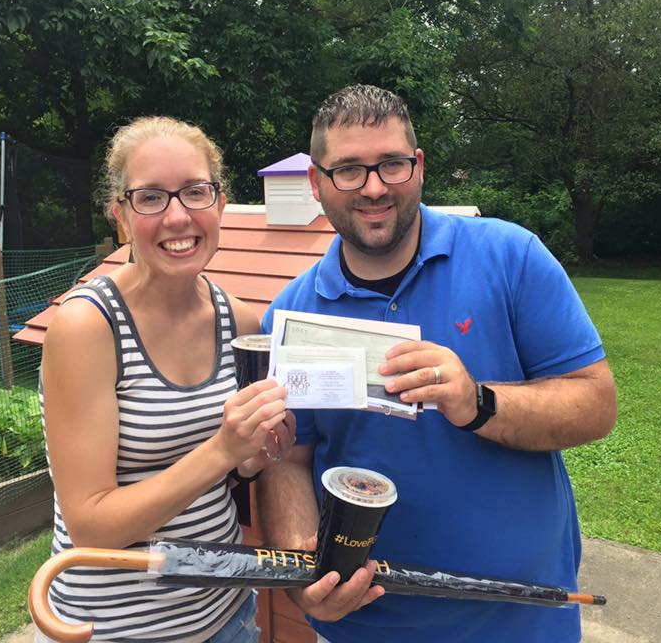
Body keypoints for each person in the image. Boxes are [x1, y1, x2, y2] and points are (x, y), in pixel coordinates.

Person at [256, 85, 617, 643]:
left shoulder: (510, 256)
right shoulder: (293, 313)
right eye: (348, 170)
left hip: (522, 620)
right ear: (315, 183)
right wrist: (306, 577)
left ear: (418, 166)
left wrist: (479, 402)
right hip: (368, 629)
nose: (374, 188)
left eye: (392, 165)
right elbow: (288, 458)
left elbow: (596, 405)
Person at [39, 116, 296, 642]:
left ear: (220, 204)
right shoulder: (86, 328)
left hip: (225, 617)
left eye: (195, 192)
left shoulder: (241, 324)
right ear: (122, 218)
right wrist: (224, 450)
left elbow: (226, 480)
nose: (178, 216)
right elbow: (92, 525)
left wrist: (250, 459)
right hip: (111, 630)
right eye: (151, 198)